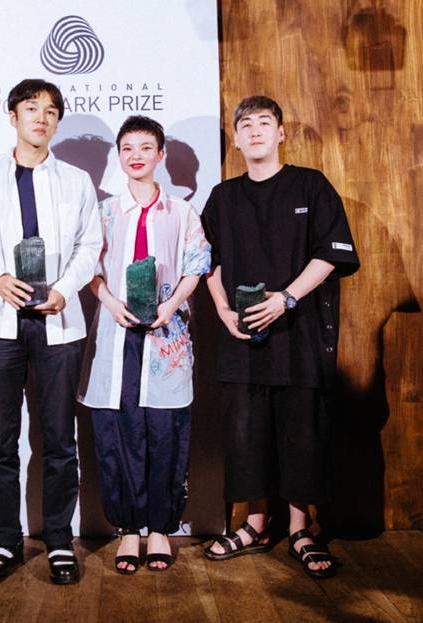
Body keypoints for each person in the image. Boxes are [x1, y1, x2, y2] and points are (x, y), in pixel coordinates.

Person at [200, 96, 360, 579]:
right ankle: (253, 524)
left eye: (264, 123)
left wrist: (287, 298)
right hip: (241, 338)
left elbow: (331, 254)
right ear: (235, 139)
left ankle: (299, 529)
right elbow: (206, 261)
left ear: (281, 133)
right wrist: (223, 310)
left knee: (300, 432)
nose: (254, 131)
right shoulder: (223, 197)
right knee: (245, 433)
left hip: (299, 335)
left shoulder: (311, 185)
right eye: (245, 125)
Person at [0, 79, 102, 585]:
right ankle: (4, 540)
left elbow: (90, 245)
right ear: (13, 116)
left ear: (58, 122)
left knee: (60, 439)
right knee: (1, 440)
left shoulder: (77, 181)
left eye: (51, 111)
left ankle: (59, 541)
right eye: (32, 108)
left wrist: (64, 288)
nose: (42, 117)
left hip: (58, 322)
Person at [78, 116, 211, 574]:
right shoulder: (104, 212)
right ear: (119, 156)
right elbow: (90, 268)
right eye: (128, 148)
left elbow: (196, 264)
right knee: (118, 431)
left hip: (165, 336)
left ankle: (160, 529)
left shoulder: (182, 212)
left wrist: (171, 305)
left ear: (161, 155)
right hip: (117, 335)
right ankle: (128, 530)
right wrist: (110, 302)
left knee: (165, 431)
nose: (136, 156)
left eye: (146, 147)